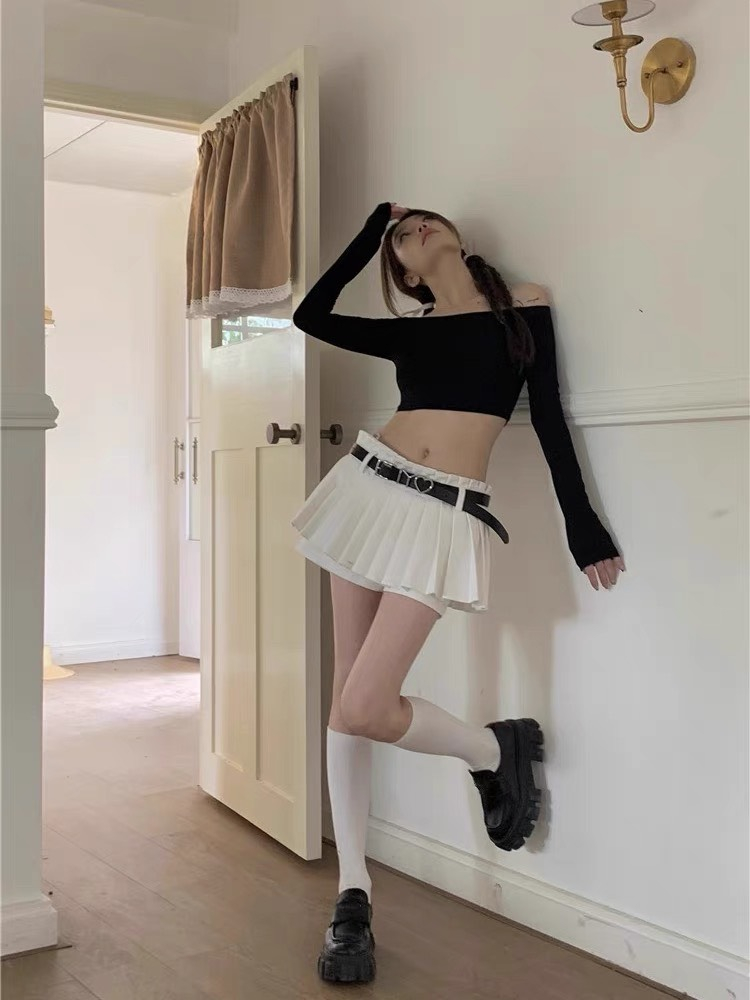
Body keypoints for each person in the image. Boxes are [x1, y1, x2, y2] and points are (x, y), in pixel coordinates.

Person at [290, 202, 625, 984]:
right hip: (364, 491)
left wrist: (582, 526)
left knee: (364, 706)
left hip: (442, 512)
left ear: (457, 240)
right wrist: (368, 232)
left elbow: (549, 418)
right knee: (346, 702)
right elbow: (311, 315)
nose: (413, 231)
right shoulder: (410, 328)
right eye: (400, 237)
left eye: (422, 222)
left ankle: (492, 751)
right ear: (402, 270)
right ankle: (352, 892)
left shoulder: (522, 310)